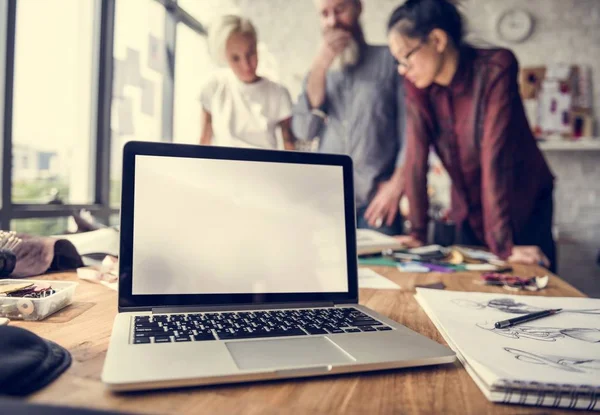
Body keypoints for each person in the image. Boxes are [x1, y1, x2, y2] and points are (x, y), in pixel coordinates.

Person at [386, 0, 557, 271]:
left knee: (530, 289)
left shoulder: (495, 68)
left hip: (520, 208)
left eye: (406, 57)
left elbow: (495, 157)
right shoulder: (417, 86)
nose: (402, 69)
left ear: (437, 40)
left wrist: (504, 245)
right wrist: (417, 234)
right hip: (469, 209)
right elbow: (416, 158)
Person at [292, 0, 406, 235]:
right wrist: (321, 64)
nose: (332, 21)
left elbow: (412, 132)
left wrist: (397, 185)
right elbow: (304, 130)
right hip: (327, 206)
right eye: (324, 14)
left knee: (383, 272)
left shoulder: (391, 60)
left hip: (377, 206)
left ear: (358, 7)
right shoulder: (317, 72)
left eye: (340, 9)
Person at [199, 15, 296, 150]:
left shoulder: (278, 93)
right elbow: (204, 143)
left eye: (250, 53)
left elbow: (289, 145)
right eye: (235, 58)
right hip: (225, 167)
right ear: (224, 56)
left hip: (266, 167)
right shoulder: (213, 88)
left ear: (257, 47)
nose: (246, 65)